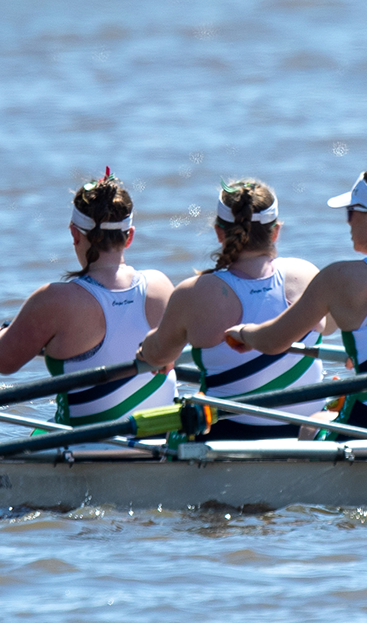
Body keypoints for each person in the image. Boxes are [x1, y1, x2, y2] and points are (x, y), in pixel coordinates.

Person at [223, 159, 367, 438]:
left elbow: (273, 341)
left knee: (313, 423)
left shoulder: (340, 276)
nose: (347, 222)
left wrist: (244, 333)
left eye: (350, 212)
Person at [0, 171, 175, 426]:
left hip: (86, 444)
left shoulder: (55, 300)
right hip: (162, 439)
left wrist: (1, 337)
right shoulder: (161, 286)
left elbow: (1, 362)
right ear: (129, 236)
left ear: (75, 234)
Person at [136, 179, 325, 440]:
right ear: (276, 231)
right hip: (307, 435)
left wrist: (146, 347)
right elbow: (333, 327)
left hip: (227, 436)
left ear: (219, 232)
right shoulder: (306, 274)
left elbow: (158, 355)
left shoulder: (195, 292)